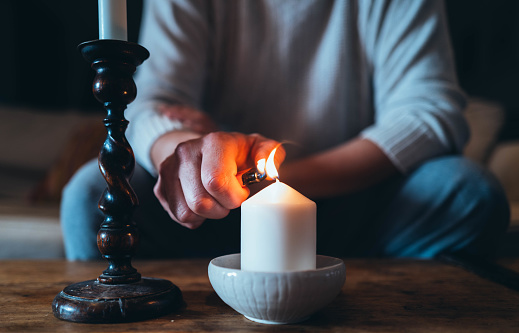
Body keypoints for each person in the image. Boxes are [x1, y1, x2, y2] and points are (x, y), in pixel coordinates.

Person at [61, 0, 510, 260]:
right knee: (90, 196)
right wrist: (191, 155)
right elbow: (152, 107)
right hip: (216, 216)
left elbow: (429, 112)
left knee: (468, 192)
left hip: (359, 206)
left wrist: (268, 180)